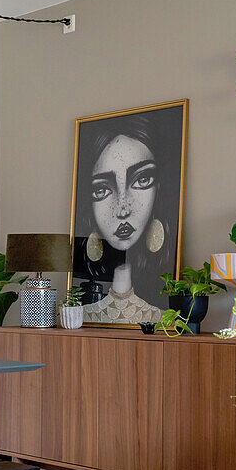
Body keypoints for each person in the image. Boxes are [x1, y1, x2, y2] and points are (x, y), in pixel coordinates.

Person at [73, 112, 180, 325]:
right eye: (102, 189)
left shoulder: (160, 316)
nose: (123, 209)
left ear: (158, 189)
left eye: (142, 180)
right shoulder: (83, 315)